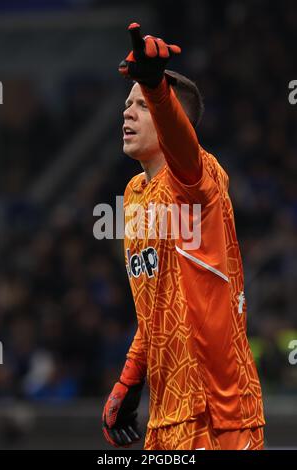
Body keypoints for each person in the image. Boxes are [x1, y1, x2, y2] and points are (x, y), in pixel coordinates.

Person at [102, 22, 265, 450]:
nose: (127, 112)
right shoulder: (135, 195)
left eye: (141, 105)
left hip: (219, 414)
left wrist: (156, 87)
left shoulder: (199, 178)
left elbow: (184, 151)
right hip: (166, 415)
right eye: (127, 103)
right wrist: (129, 379)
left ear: (170, 118)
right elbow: (153, 305)